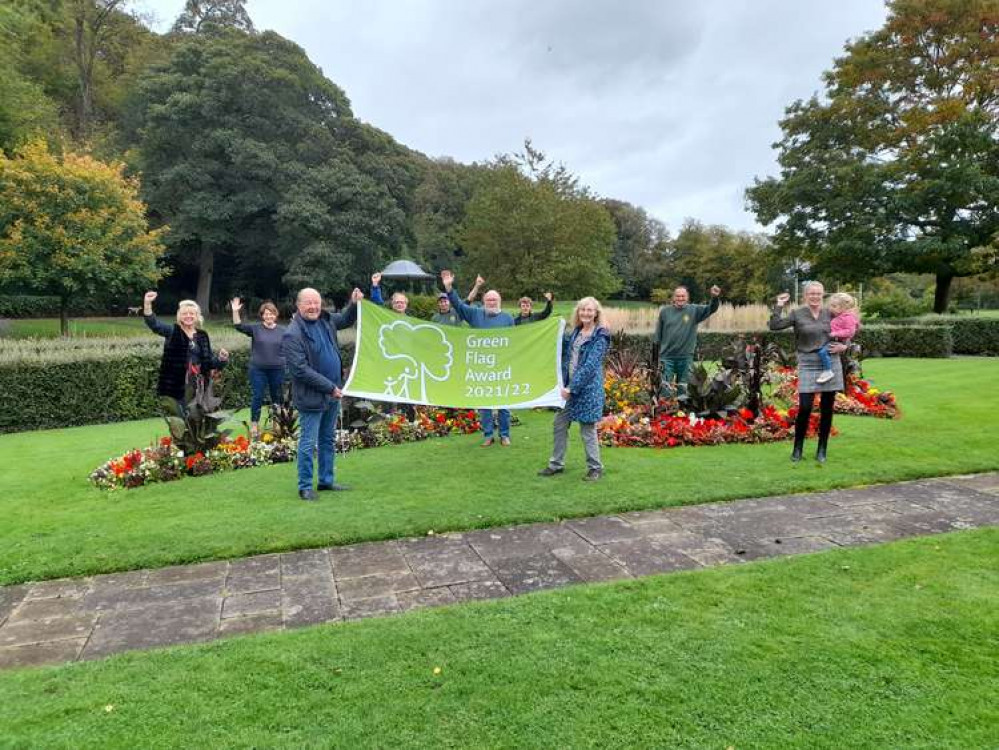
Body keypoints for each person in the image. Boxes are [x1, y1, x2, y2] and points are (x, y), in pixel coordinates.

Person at [282, 286, 363, 501]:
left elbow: (346, 320)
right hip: (313, 395)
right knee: (308, 443)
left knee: (327, 439)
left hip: (332, 392)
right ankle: (305, 486)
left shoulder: (326, 320)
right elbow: (300, 370)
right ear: (298, 306)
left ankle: (326, 480)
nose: (313, 306)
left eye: (316, 302)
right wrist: (330, 387)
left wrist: (353, 303)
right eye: (308, 303)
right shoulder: (292, 334)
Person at [769, 282, 846, 464]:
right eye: (811, 293)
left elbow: (850, 327)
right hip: (808, 362)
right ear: (805, 295)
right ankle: (797, 448)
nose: (815, 296)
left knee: (827, 409)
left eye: (818, 293)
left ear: (823, 295)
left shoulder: (831, 313)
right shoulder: (797, 313)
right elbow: (774, 325)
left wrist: (845, 345)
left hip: (830, 361)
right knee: (804, 408)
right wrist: (779, 305)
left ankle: (822, 449)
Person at [538, 297, 610, 481]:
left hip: (587, 390)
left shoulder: (601, 336)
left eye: (589, 310)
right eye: (582, 310)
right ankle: (556, 464)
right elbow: (567, 357)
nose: (585, 313)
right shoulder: (577, 332)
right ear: (578, 312)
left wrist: (572, 388)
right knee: (559, 424)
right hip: (570, 389)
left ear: (596, 313)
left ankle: (595, 468)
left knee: (587, 429)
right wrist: (553, 328)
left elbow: (589, 366)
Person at [441, 269, 515, 446]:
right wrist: (449, 287)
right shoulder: (475, 314)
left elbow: (516, 342)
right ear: (484, 301)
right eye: (488, 299)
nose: (491, 302)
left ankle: (505, 435)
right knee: (485, 404)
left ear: (500, 302)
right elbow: (458, 305)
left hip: (502, 368)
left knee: (504, 403)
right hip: (481, 368)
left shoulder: (508, 318)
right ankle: (488, 435)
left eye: (494, 300)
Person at [143, 291, 228, 416]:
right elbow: (154, 324)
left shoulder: (202, 335)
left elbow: (208, 362)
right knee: (183, 420)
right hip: (178, 385)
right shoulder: (172, 331)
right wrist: (147, 303)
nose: (188, 316)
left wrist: (221, 359)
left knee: (200, 421)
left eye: (191, 314)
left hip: (199, 386)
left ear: (197, 316)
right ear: (179, 316)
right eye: (185, 314)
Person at [653, 285, 721, 398]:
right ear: (673, 298)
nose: (680, 298)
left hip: (685, 356)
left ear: (687, 297)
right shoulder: (665, 312)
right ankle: (664, 410)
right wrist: (655, 353)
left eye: (683, 296)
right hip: (666, 356)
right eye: (678, 296)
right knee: (664, 387)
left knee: (684, 388)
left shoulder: (694, 310)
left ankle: (682, 411)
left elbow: (711, 309)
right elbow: (658, 333)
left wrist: (714, 298)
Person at [231, 297, 286, 436]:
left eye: (271, 313)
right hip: (258, 369)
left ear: (275, 315)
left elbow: (295, 341)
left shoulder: (283, 331)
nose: (269, 316)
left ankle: (277, 424)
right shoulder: (255, 329)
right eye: (266, 314)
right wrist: (235, 311)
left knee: (277, 397)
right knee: (258, 396)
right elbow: (238, 326)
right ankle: (254, 425)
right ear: (262, 316)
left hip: (277, 369)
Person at [816, 292, 860, 384]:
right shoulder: (838, 315)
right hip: (833, 340)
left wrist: (836, 334)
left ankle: (828, 371)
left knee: (822, 352)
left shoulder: (848, 317)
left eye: (834, 306)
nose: (831, 308)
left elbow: (850, 331)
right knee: (822, 351)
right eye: (831, 305)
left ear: (843, 307)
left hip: (838, 341)